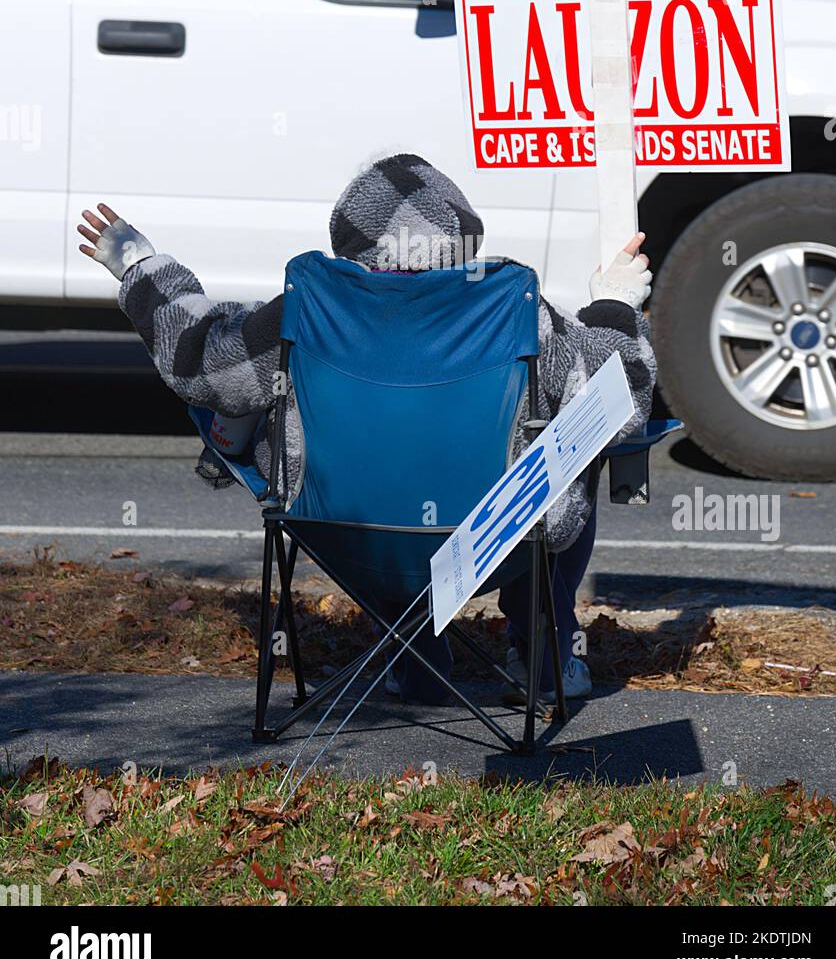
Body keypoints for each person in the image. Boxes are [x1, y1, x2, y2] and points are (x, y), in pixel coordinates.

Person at [78, 153, 654, 703]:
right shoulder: (515, 310)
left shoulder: (305, 312)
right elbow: (621, 397)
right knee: (575, 443)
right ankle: (543, 656)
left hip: (343, 533)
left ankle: (416, 658)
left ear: (349, 245)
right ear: (463, 241)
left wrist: (140, 266)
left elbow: (198, 362)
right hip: (493, 542)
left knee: (295, 428)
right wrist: (614, 304)